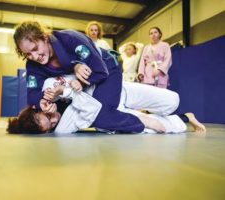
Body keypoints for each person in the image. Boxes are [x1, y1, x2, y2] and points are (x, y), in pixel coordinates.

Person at [13, 21, 179, 133]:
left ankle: (144, 123)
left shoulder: (70, 39)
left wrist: (78, 77)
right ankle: (141, 118)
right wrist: (41, 102)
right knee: (100, 118)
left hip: (107, 70)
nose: (34, 56)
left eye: (35, 48)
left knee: (101, 117)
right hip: (81, 88)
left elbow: (100, 70)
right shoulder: (33, 65)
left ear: (44, 37)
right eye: (28, 54)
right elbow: (33, 94)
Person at [7, 75, 206, 134]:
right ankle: (186, 118)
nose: (54, 120)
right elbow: (93, 108)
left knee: (173, 100)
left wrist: (60, 92)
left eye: (47, 117)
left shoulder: (49, 89)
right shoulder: (62, 129)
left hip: (120, 91)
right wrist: (69, 93)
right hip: (113, 113)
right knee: (159, 128)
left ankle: (170, 112)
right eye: (50, 126)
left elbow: (78, 76)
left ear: (36, 108)